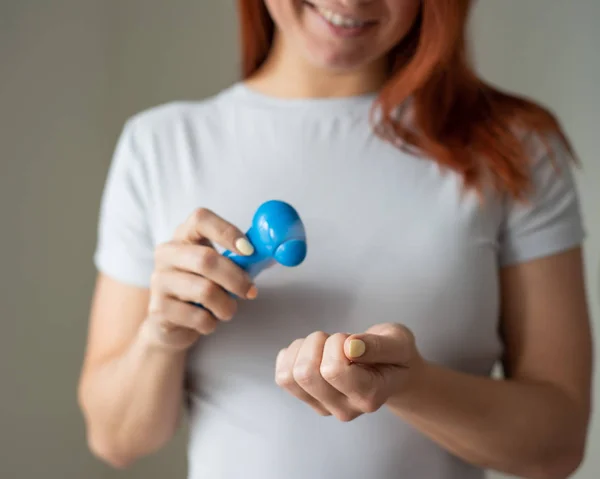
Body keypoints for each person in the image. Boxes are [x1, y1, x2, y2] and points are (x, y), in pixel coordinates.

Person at [77, 1, 594, 478]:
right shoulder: (160, 145)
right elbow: (116, 439)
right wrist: (160, 337)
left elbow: (558, 443)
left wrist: (410, 385)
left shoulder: (515, 146)